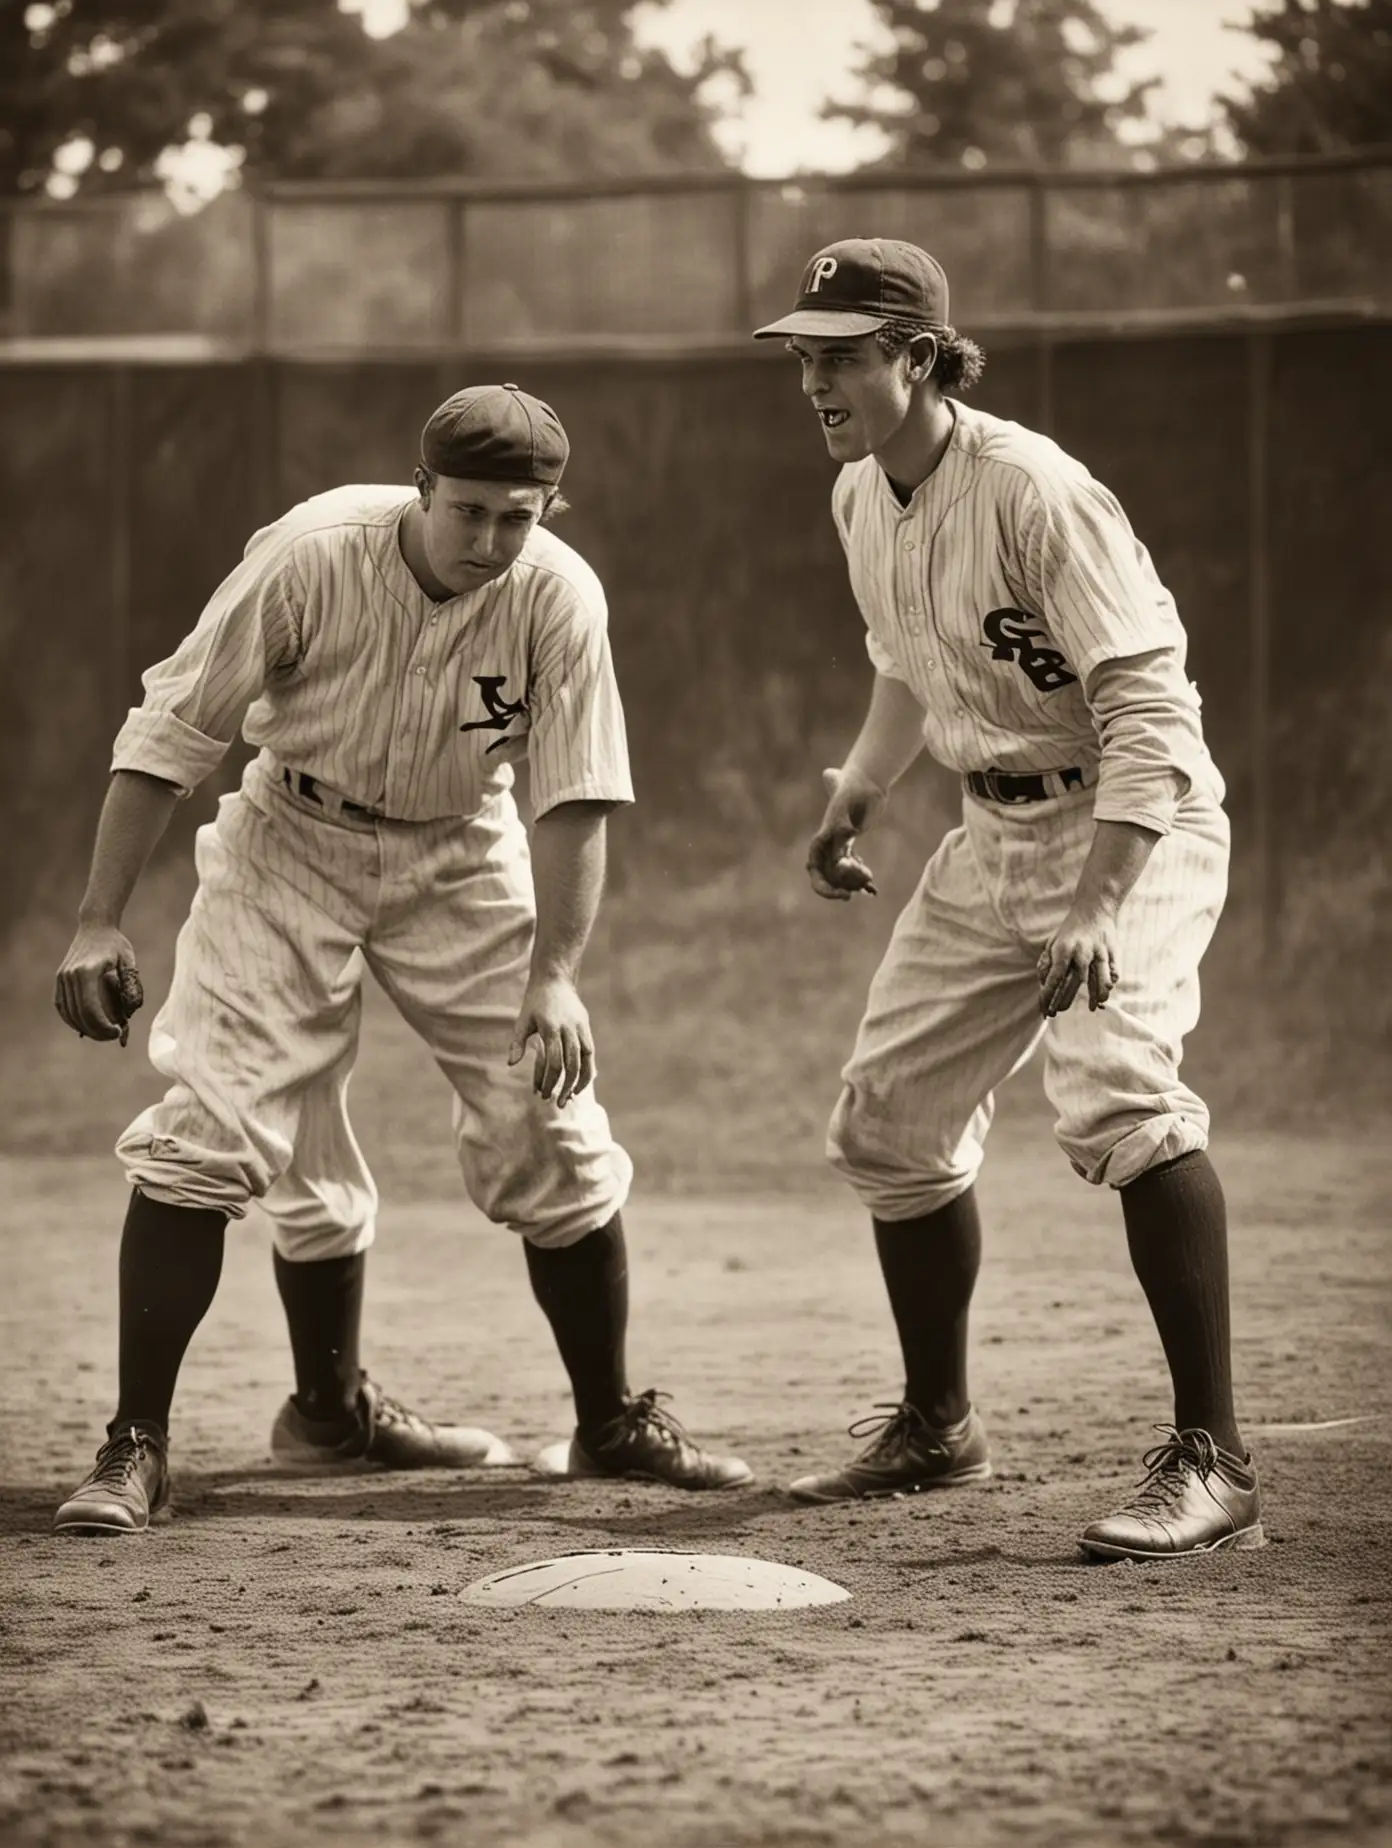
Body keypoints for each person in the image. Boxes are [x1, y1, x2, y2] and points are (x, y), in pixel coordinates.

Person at [52, 382, 751, 1535]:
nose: (488, 541)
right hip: (291, 837)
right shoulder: (312, 554)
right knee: (213, 1127)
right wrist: (96, 917)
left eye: (516, 517)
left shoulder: (560, 598)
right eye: (467, 511)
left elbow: (574, 799)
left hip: (459, 852)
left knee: (550, 1123)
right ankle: (146, 1444)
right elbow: (174, 730)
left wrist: (556, 975)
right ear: (421, 488)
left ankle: (608, 1419)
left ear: (550, 508)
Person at [752, 239, 1261, 1561]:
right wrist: (858, 790)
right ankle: (939, 1425)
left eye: (841, 353)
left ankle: (1214, 1461)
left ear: (916, 357)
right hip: (996, 830)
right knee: (888, 1119)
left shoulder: (1034, 491)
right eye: (802, 354)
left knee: (1117, 1093)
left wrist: (1099, 905)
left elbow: (1148, 710)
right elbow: (907, 665)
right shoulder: (864, 494)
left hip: (1131, 820)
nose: (812, 378)